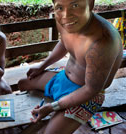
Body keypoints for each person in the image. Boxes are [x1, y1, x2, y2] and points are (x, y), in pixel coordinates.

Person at [18, 0, 123, 133]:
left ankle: (55, 118)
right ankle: (53, 117)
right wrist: (42, 65)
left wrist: (52, 107)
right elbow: (64, 42)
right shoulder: (64, 20)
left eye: (75, 5)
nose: (66, 14)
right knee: (23, 84)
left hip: (87, 94)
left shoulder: (102, 41)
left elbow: (91, 89)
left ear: (90, 4)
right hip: (64, 76)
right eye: (60, 7)